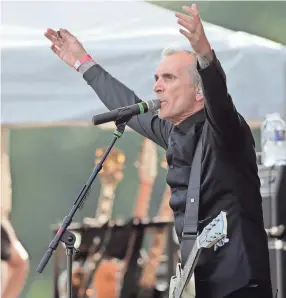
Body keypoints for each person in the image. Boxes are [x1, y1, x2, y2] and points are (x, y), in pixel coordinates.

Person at [44, 3, 273, 298]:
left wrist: (204, 54)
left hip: (240, 283)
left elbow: (219, 97)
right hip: (201, 282)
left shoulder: (227, 132)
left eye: (169, 78)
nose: (157, 88)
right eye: (156, 79)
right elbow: (123, 100)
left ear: (199, 91)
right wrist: (82, 62)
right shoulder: (173, 131)